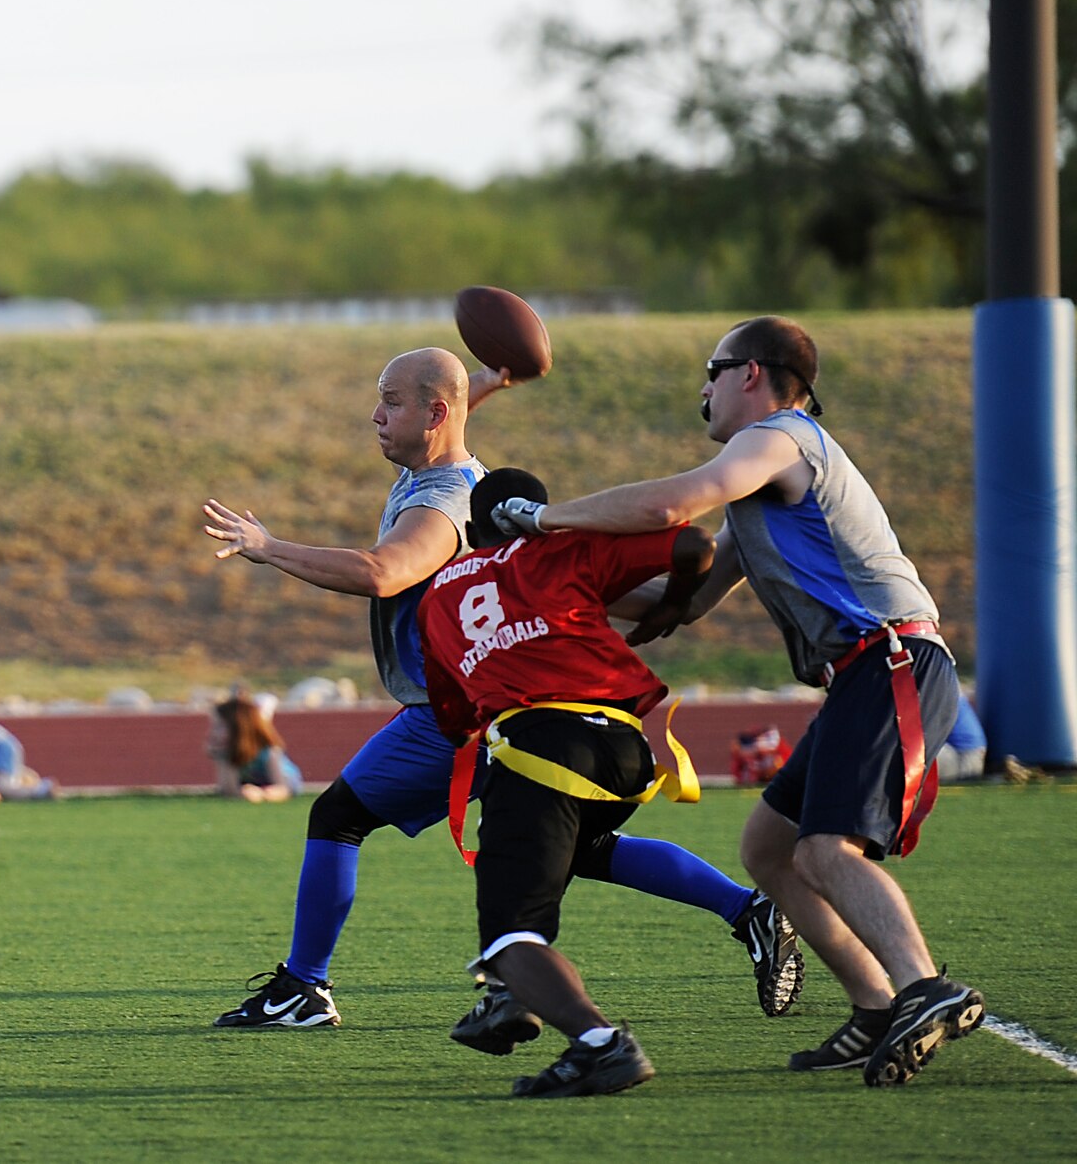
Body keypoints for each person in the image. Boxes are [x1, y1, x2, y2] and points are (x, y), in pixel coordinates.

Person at [202, 348, 799, 1031]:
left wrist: (268, 545)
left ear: (433, 414)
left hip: (461, 710)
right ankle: (747, 908)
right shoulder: (458, 474)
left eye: (390, 401)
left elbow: (382, 571)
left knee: (339, 816)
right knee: (579, 847)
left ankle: (308, 987)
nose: (374, 415)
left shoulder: (439, 504)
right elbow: (444, 435)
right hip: (534, 706)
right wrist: (481, 385)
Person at [487, 314, 981, 1087]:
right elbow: (676, 605)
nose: (703, 388)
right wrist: (540, 581)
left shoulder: (782, 438)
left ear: (751, 373)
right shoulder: (761, 488)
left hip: (891, 659)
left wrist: (545, 518)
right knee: (768, 848)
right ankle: (876, 1003)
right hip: (864, 672)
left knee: (827, 850)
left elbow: (671, 505)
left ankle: (925, 987)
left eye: (712, 371)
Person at [419, 467, 715, 1097]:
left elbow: (456, 719)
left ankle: (598, 1043)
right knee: (564, 857)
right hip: (628, 753)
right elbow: (695, 544)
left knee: (509, 930)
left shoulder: (438, 596)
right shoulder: (564, 547)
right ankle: (515, 995)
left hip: (542, 751)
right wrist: (673, 604)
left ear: (470, 528)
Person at [208, 689, 303, 802]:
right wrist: (222, 759)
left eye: (219, 727)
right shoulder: (228, 752)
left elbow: (283, 788)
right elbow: (228, 789)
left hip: (283, 780)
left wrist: (264, 794)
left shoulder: (268, 751)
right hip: (252, 783)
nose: (214, 732)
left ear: (239, 728)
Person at [937, 698, 985, 782]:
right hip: (971, 757)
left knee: (922, 748)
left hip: (964, 758)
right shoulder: (949, 695)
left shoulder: (942, 697)